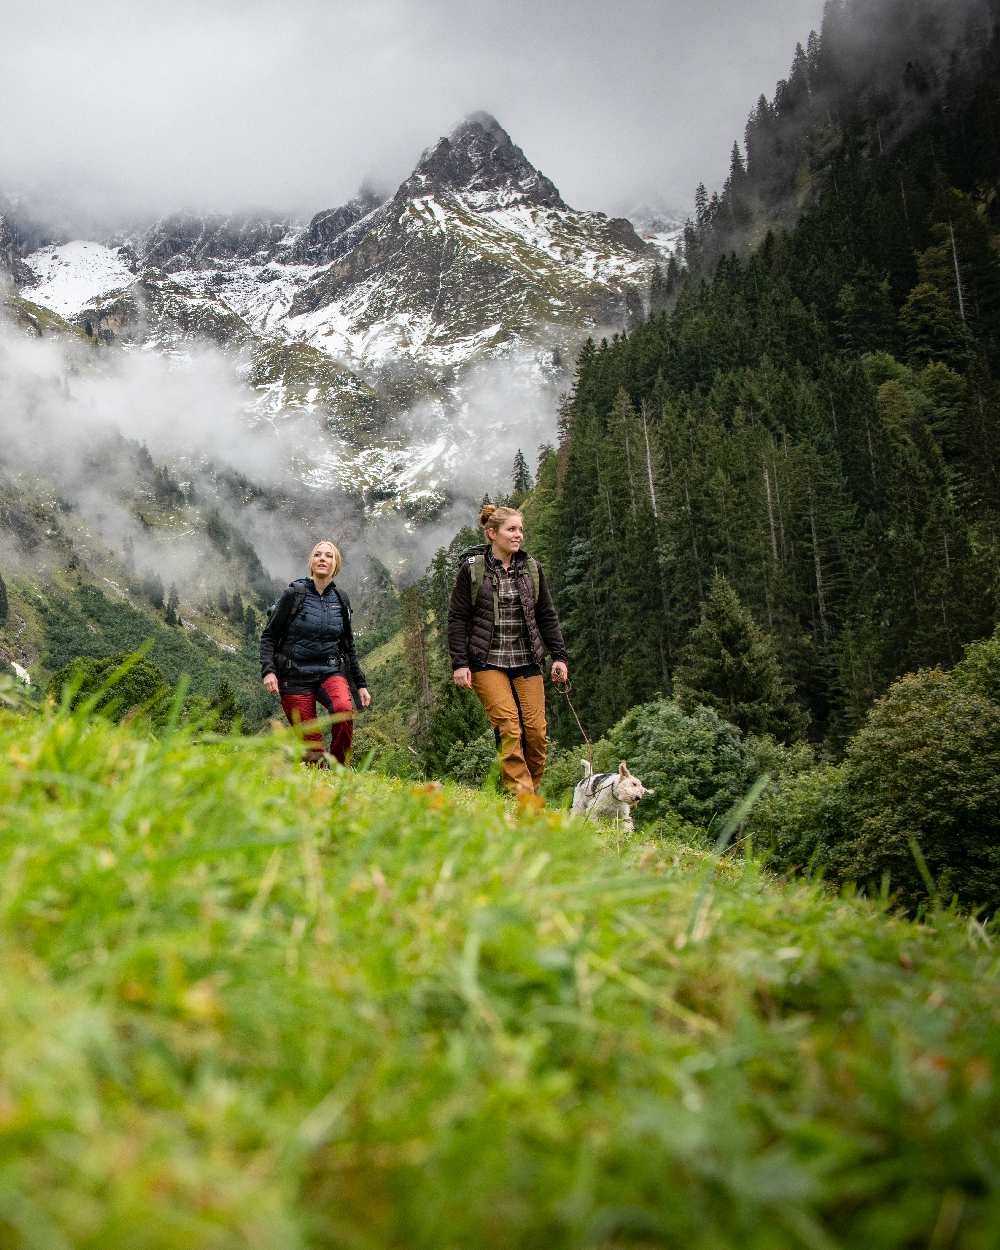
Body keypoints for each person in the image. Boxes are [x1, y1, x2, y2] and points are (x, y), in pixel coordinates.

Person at [447, 504, 568, 796]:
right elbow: (457, 618)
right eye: (511, 529)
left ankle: (530, 792)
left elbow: (546, 615)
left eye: (520, 529)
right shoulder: (472, 569)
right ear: (492, 533)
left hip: (527, 659)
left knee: (536, 733)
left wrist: (559, 657)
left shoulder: (531, 568)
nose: (518, 535)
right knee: (509, 728)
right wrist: (460, 663)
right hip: (486, 660)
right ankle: (522, 796)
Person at [260, 539, 371, 765]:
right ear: (311, 562)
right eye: (318, 554)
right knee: (312, 750)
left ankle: (339, 769)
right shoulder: (293, 594)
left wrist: (360, 684)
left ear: (336, 564)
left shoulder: (341, 599)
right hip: (294, 677)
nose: (323, 558)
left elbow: (348, 645)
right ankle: (318, 775)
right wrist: (269, 671)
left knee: (343, 711)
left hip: (329, 672)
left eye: (329, 556)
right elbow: (269, 636)